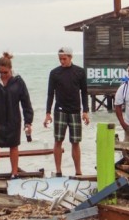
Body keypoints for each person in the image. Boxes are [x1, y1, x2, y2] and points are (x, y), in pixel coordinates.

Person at [0, 52, 34, 184]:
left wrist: (28, 121)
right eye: (0, 72)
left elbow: (26, 102)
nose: (3, 74)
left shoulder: (18, 81)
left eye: (5, 72)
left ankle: (14, 174)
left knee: (14, 146)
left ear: (10, 69)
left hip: (13, 118)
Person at [43, 46, 89, 176]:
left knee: (75, 142)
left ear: (70, 57)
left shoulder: (79, 72)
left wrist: (85, 111)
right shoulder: (54, 73)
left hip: (75, 111)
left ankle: (78, 171)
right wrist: (48, 113)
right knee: (58, 140)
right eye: (60, 59)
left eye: (64, 59)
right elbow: (50, 94)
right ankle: (58, 171)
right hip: (60, 110)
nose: (62, 61)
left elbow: (84, 93)